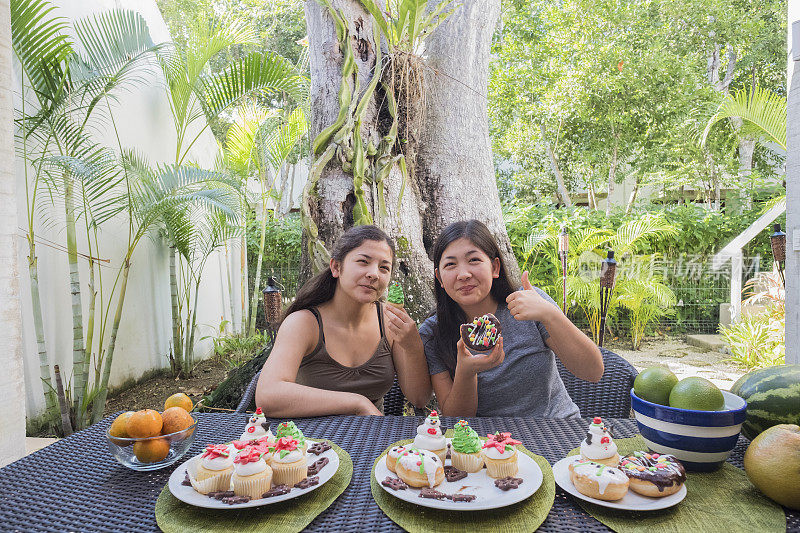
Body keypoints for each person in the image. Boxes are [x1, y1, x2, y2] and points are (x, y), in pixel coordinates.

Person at [419, 220, 603, 418]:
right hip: (488, 442)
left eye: (474, 260)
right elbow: (457, 418)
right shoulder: (433, 332)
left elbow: (593, 372)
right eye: (450, 264)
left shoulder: (529, 303)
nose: (463, 274)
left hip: (555, 430)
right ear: (440, 279)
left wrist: (550, 314)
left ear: (495, 267)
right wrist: (466, 371)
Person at [256, 225, 431, 416]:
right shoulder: (303, 323)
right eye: (363, 262)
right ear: (336, 267)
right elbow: (268, 396)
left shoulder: (390, 322)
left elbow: (419, 399)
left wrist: (413, 347)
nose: (374, 273)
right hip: (309, 440)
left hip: (374, 438)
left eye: (384, 267)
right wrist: (356, 403)